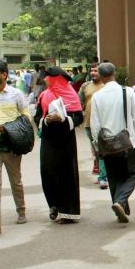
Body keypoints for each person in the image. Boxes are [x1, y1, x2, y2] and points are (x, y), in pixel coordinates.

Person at [90, 62, 135, 224]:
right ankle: (120, 202)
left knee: (114, 177)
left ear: (100, 76)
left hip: (107, 145)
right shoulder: (127, 92)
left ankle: (120, 207)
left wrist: (96, 145)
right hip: (128, 142)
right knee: (133, 174)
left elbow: (95, 125)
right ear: (114, 73)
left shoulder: (97, 96)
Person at [0, 61, 31, 239]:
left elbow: (26, 117)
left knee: (15, 181)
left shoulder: (16, 94)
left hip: (11, 145)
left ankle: (21, 210)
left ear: (4, 75)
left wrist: (10, 128)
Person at [35, 67, 84, 224]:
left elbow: (79, 117)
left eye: (47, 77)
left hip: (66, 141)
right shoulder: (44, 95)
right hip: (48, 140)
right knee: (48, 171)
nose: (45, 79)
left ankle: (68, 211)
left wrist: (64, 119)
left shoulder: (71, 95)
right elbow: (37, 117)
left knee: (66, 173)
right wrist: (46, 120)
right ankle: (54, 206)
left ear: (56, 78)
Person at [79, 63, 107, 189]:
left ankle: (103, 176)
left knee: (103, 149)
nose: (93, 73)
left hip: (105, 123)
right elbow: (79, 103)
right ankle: (103, 173)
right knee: (96, 150)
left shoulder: (107, 86)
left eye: (96, 70)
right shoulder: (85, 86)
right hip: (89, 123)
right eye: (92, 70)